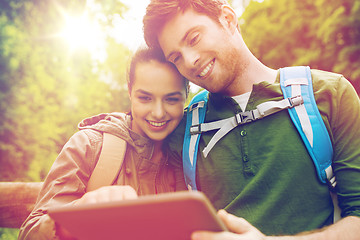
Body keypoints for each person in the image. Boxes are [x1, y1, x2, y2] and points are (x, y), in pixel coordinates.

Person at [143, 0, 360, 239]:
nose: (190, 60)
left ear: (227, 19)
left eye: (194, 39)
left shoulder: (329, 94)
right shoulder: (182, 130)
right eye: (176, 57)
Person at [18, 47, 189, 239]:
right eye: (145, 98)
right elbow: (29, 232)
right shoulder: (88, 146)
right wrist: (76, 216)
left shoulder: (193, 154)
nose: (158, 112)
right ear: (130, 91)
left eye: (171, 99)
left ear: (186, 96)